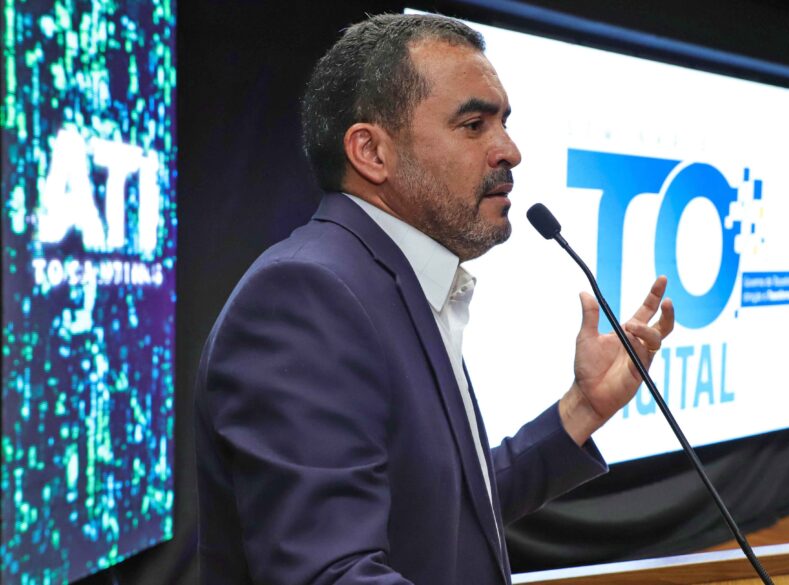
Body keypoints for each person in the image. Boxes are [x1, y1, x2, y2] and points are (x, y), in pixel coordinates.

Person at [194, 13, 674, 585]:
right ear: (372, 152)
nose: (510, 150)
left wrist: (583, 409)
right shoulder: (305, 298)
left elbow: (445, 510)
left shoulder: (391, 278)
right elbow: (331, 574)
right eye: (474, 125)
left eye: (504, 123)